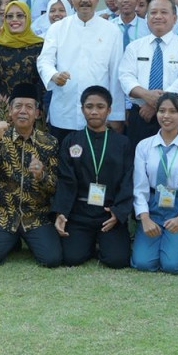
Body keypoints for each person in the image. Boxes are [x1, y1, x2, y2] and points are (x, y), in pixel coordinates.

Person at [38, 0, 125, 139]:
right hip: (64, 112)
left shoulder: (112, 31)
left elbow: (115, 75)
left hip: (98, 116)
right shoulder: (57, 28)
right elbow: (44, 60)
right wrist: (53, 75)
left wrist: (116, 115)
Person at [53, 85, 133, 268]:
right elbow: (65, 179)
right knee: (71, 258)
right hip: (80, 212)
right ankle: (89, 243)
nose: (94, 111)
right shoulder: (72, 141)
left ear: (109, 110)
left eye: (100, 107)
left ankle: (101, 242)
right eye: (89, 107)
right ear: (82, 109)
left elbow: (127, 181)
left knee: (117, 260)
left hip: (109, 212)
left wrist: (118, 212)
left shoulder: (122, 143)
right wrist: (61, 212)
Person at [0, 83, 61, 267]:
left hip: (36, 216)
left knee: (52, 259)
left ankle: (24, 239)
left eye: (29, 107)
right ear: (10, 111)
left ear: (37, 113)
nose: (23, 111)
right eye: (18, 106)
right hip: (4, 215)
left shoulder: (49, 143)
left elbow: (56, 185)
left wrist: (41, 175)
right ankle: (11, 240)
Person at [130, 92, 178, 274]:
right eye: (162, 111)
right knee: (143, 263)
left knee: (173, 265)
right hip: (153, 207)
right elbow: (139, 187)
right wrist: (145, 218)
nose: (166, 116)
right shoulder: (144, 146)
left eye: (173, 111)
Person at [119, 0, 178, 146]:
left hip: (175, 114)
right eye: (153, 12)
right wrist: (146, 95)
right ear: (147, 18)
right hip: (141, 114)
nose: (158, 16)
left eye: (164, 12)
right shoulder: (134, 47)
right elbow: (125, 76)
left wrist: (156, 103)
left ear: (174, 18)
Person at [0, 0, 45, 142]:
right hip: (2, 106)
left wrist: (39, 106)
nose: (14, 19)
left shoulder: (39, 45)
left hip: (30, 108)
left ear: (27, 18)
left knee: (31, 148)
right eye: (9, 16)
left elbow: (42, 80)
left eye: (20, 15)